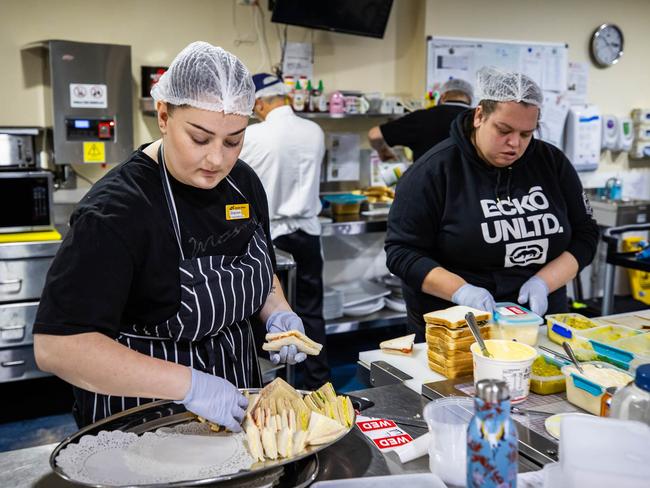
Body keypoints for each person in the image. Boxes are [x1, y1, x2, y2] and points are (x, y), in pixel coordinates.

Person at [33, 42, 308, 429]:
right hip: (145, 420)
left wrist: (278, 312)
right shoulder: (115, 211)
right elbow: (58, 347)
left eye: (233, 140)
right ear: (163, 115)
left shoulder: (242, 183)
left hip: (239, 406)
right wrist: (189, 385)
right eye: (199, 138)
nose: (217, 159)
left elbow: (258, 269)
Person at [385, 67, 599, 340]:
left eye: (526, 134)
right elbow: (401, 252)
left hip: (536, 324)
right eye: (504, 130)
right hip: (458, 324)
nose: (514, 144)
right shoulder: (434, 171)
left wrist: (544, 283)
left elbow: (586, 234)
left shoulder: (552, 164)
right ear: (479, 116)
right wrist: (461, 290)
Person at [239, 73, 329, 390]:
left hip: (271, 237)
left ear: (260, 103)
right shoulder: (314, 130)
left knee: (268, 316)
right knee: (311, 311)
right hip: (307, 232)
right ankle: (319, 384)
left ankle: (276, 387)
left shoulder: (254, 135)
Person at [368, 78, 473, 162]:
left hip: (427, 187)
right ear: (470, 99)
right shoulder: (478, 120)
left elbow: (374, 135)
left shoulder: (423, 117)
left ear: (443, 96)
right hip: (471, 187)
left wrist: (383, 152)